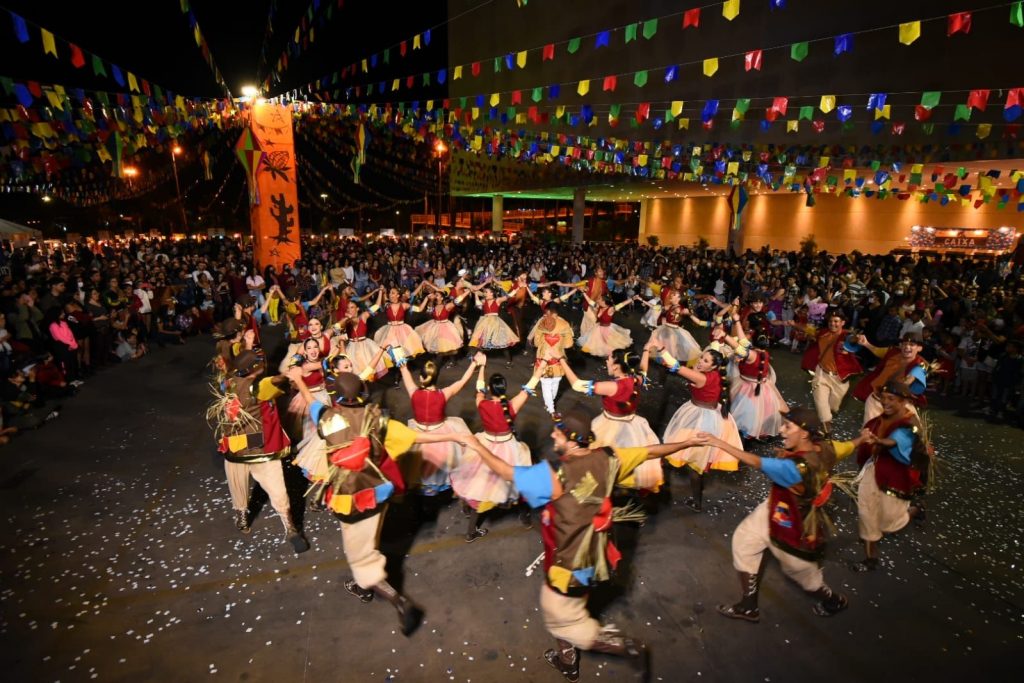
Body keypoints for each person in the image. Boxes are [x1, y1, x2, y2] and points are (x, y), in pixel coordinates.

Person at [454, 410, 701, 682]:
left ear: (572, 441)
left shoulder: (557, 474)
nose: (551, 435)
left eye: (557, 432)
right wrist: (688, 443)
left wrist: (477, 445)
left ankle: (624, 649)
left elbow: (506, 472)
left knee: (561, 619)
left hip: (568, 563)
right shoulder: (608, 457)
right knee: (572, 608)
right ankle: (566, 658)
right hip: (596, 554)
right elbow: (651, 452)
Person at [288, 368, 462, 635]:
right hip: (378, 494)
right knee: (372, 536)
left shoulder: (327, 417)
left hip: (350, 503)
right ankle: (364, 583)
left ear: (336, 397)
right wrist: (451, 436)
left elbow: (311, 403)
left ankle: (398, 601)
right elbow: (415, 437)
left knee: (360, 560)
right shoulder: (378, 420)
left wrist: (298, 378)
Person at [701, 407, 869, 622]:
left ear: (804, 434)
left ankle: (833, 600)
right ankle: (749, 605)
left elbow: (756, 462)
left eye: (788, 426)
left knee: (805, 577)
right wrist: (862, 439)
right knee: (744, 541)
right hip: (776, 506)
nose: (781, 430)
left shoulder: (793, 468)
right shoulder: (825, 448)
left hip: (793, 525)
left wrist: (720, 443)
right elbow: (846, 447)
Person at [208, 350, 309, 554]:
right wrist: (291, 373)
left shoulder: (228, 382)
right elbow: (277, 382)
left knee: (238, 487)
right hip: (259, 448)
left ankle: (242, 517)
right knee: (278, 490)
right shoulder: (258, 386)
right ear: (255, 369)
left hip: (234, 447)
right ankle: (290, 528)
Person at [449, 363, 539, 541]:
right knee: (519, 483)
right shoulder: (512, 405)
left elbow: (479, 387)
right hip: (509, 448)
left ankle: (470, 531)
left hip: (486, 446)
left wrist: (481, 366)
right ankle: (525, 517)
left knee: (479, 486)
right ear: (504, 389)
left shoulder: (482, 404)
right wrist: (541, 366)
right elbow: (530, 386)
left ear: (491, 389)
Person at [851, 381, 932, 572]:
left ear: (903, 401)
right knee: (866, 513)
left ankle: (914, 510)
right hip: (875, 469)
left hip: (897, 475)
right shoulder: (879, 420)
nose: (885, 402)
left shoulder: (909, 423)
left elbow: (896, 440)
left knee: (888, 523)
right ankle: (870, 558)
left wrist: (879, 441)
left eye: (891, 399)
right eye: (883, 398)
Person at [558, 348, 663, 491]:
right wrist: (645, 351)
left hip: (609, 426)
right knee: (630, 459)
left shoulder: (612, 386)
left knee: (601, 461)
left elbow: (577, 385)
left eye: (609, 359)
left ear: (615, 365)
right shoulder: (635, 379)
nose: (607, 361)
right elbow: (644, 371)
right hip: (633, 425)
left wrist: (561, 360)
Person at [656, 346, 743, 511]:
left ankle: (697, 502)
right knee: (690, 452)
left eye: (705, 360)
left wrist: (660, 348)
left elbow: (674, 366)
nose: (700, 361)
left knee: (695, 463)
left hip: (702, 420)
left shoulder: (702, 377)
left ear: (714, 367)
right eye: (701, 357)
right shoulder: (716, 375)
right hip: (707, 414)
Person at [396, 351, 484, 496]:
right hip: (441, 431)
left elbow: (404, 372)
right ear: (436, 378)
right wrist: (474, 362)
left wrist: (402, 364)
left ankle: (421, 488)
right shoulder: (444, 393)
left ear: (420, 378)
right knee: (455, 452)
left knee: (414, 465)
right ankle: (443, 486)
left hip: (418, 432)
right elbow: (462, 381)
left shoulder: (413, 391)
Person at [723, 314, 788, 440]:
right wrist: (737, 321)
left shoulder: (752, 354)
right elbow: (743, 343)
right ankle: (758, 430)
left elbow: (739, 346)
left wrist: (725, 335)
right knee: (762, 411)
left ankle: (746, 432)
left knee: (746, 410)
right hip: (762, 385)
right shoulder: (764, 353)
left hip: (748, 386)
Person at [798, 311, 863, 435]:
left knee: (833, 407)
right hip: (821, 374)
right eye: (831, 321)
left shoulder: (847, 337)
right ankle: (827, 433)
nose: (832, 324)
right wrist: (794, 324)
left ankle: (826, 419)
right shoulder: (823, 333)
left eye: (836, 321)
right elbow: (810, 331)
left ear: (842, 323)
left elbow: (853, 341)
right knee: (823, 408)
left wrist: (857, 339)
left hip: (839, 379)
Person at [851, 332, 928, 425]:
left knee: (915, 431)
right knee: (870, 430)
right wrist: (866, 343)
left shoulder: (920, 365)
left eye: (912, 345)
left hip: (900, 404)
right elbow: (878, 351)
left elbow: (909, 380)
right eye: (904, 344)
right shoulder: (892, 352)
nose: (907, 347)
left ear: (919, 348)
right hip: (876, 400)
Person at [530, 302, 574, 414]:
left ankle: (551, 408)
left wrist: (546, 341)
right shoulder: (564, 324)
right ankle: (551, 404)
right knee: (555, 382)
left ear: (548, 311)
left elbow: (536, 342)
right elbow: (569, 344)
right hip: (558, 359)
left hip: (544, 357)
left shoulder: (542, 323)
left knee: (545, 384)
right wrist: (558, 342)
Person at [468, 286, 520, 367]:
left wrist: (517, 288)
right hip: (485, 322)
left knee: (503, 342)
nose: (485, 294)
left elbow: (508, 296)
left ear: (492, 293)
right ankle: (477, 361)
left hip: (496, 323)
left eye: (486, 292)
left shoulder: (497, 300)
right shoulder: (483, 301)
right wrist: (475, 294)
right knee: (480, 342)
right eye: (484, 292)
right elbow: (478, 306)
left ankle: (509, 361)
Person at [575, 294, 633, 358]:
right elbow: (589, 301)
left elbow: (621, 304)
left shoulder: (610, 309)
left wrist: (632, 299)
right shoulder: (598, 306)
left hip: (607, 329)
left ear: (603, 301)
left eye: (599, 299)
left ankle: (611, 357)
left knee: (608, 344)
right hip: (598, 328)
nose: (597, 300)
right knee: (594, 343)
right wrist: (583, 292)